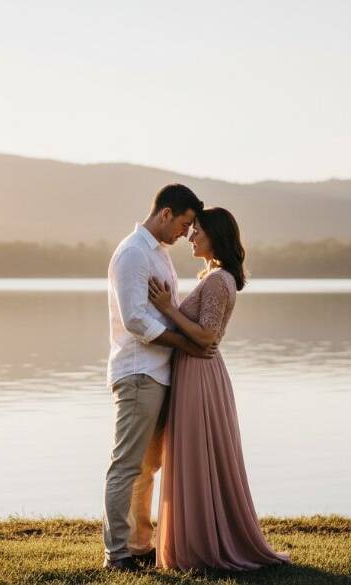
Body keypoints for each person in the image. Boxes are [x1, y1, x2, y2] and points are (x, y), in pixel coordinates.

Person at [150, 207, 292, 571]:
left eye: (197, 230)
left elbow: (207, 334)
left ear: (215, 236)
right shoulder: (216, 277)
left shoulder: (218, 281)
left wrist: (168, 308)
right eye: (191, 229)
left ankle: (203, 545)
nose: (191, 236)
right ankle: (198, 537)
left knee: (198, 454)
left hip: (200, 373)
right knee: (198, 455)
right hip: (198, 370)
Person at [102, 183, 214, 572]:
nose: (186, 233)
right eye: (184, 224)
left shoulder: (159, 254)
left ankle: (139, 546)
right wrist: (184, 342)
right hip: (138, 373)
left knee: (147, 468)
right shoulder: (133, 253)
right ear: (166, 213)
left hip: (159, 373)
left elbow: (166, 309)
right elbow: (135, 319)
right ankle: (116, 554)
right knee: (127, 464)